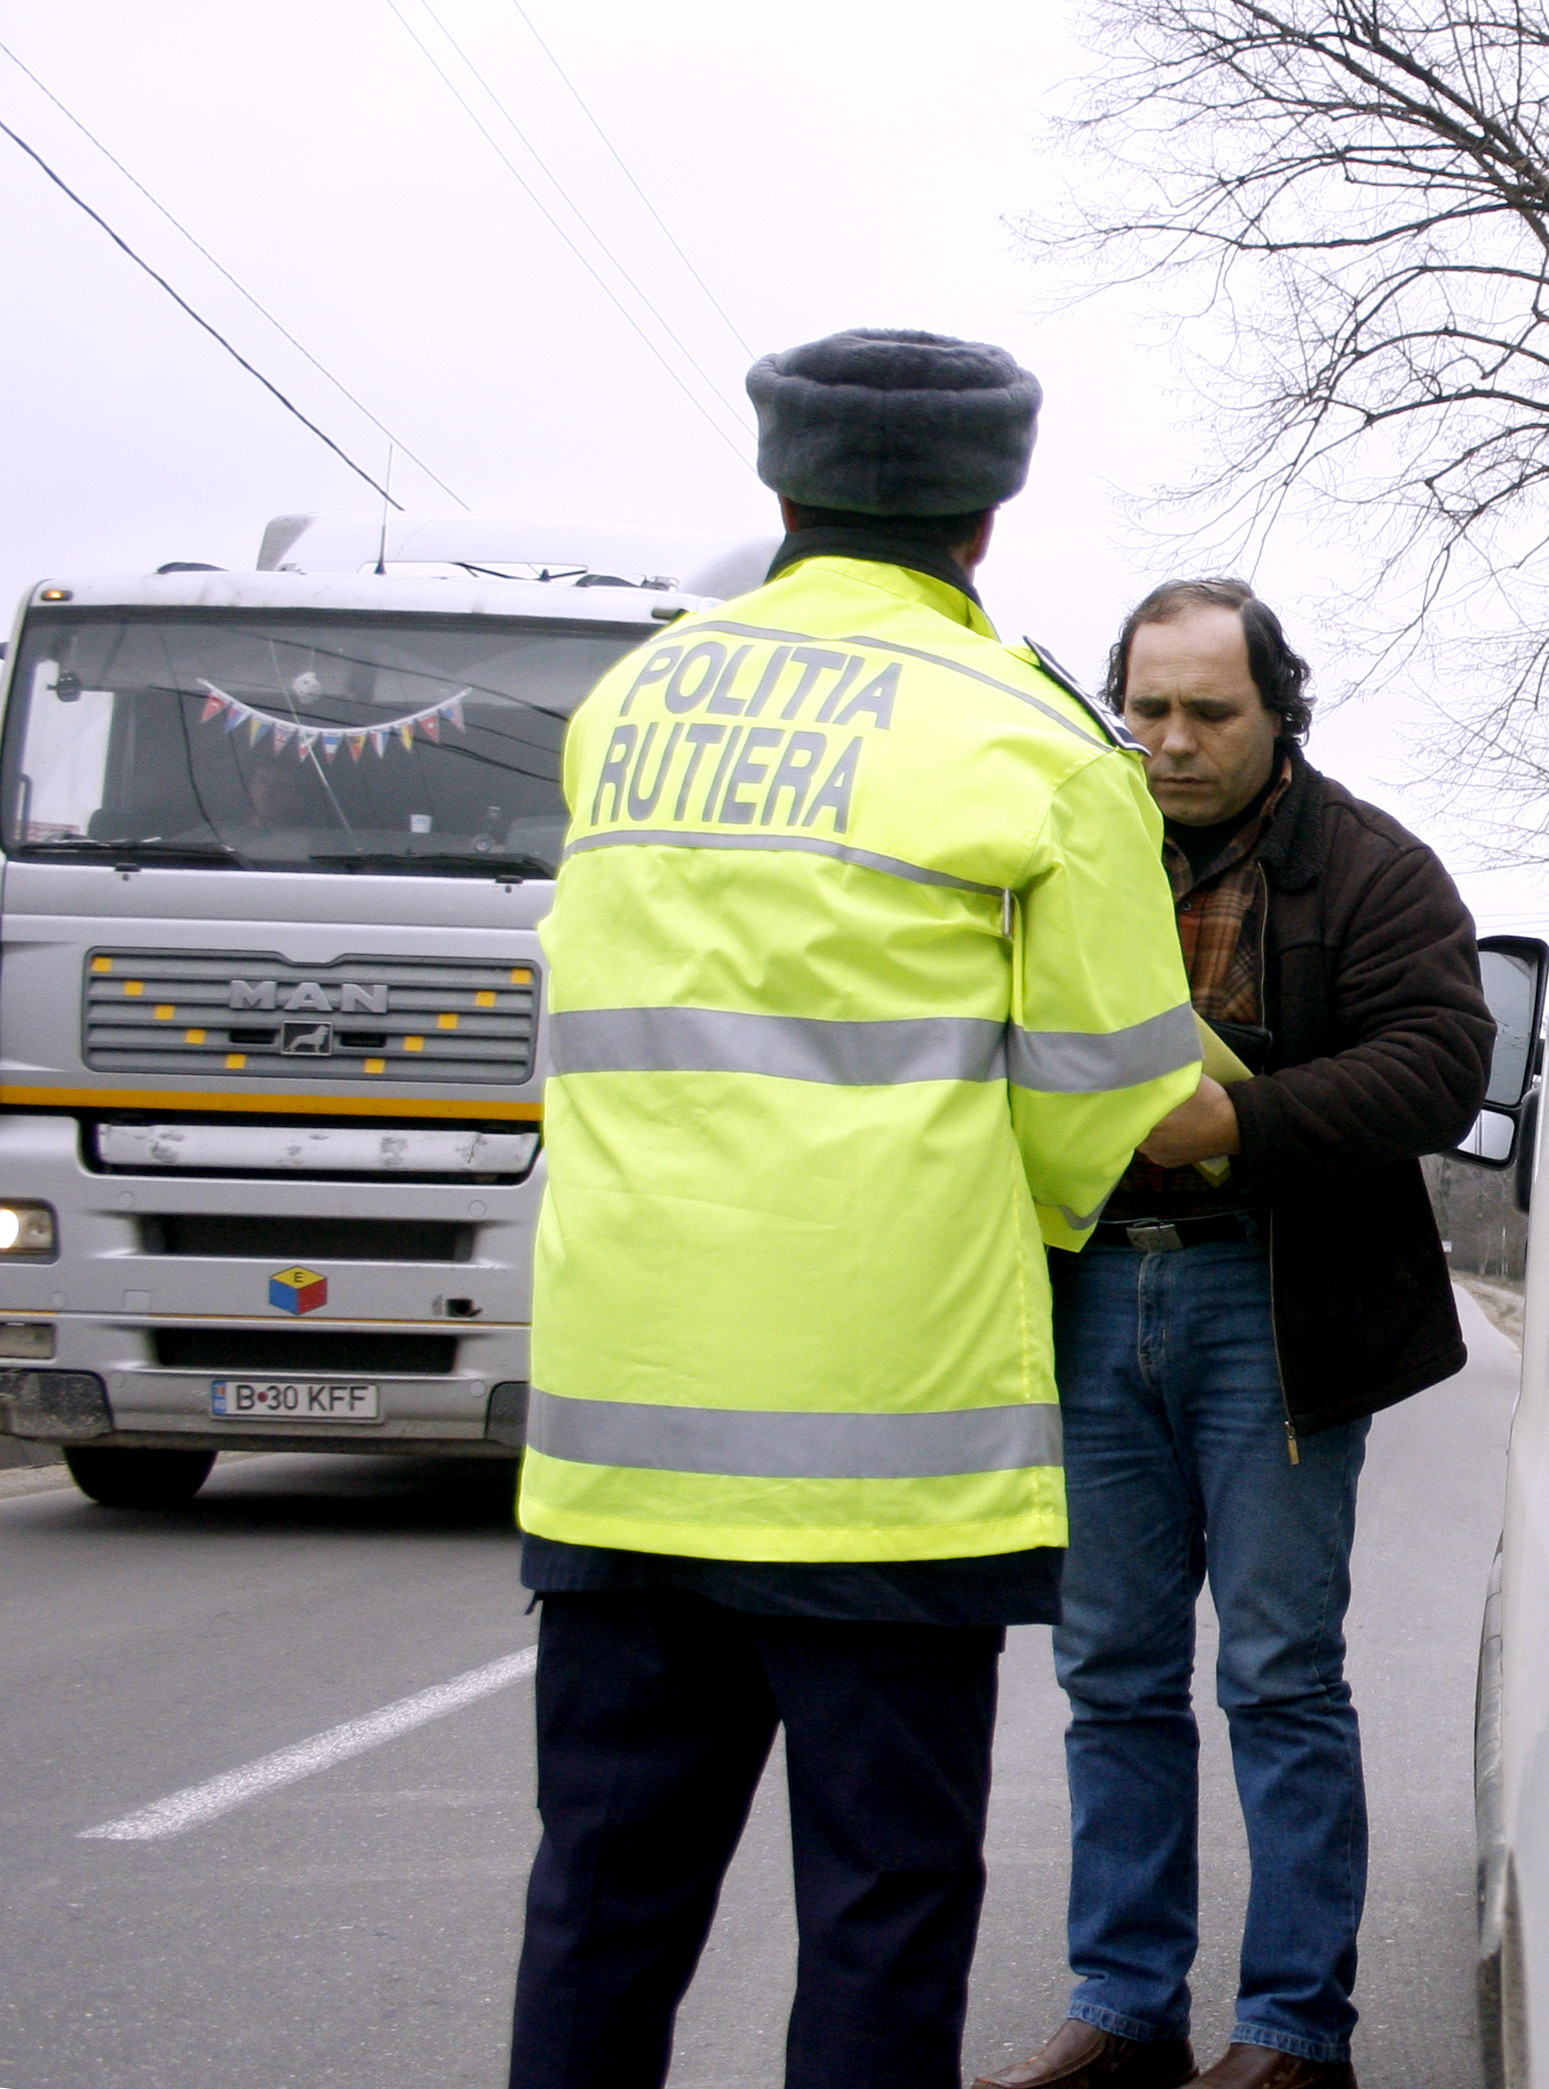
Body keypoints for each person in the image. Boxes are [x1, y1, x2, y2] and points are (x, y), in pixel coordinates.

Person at [507, 328, 1220, 2089]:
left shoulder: (632, 706)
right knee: (881, 1915)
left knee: (599, 1912)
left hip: (620, 1442)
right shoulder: (1039, 746)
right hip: (883, 1464)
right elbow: (1121, 1118)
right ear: (990, 512)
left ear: (781, 489)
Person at [974, 581, 1494, 2089]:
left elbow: (1441, 1062)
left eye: (1209, 711)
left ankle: (1287, 2037)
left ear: (1281, 714)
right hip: (1089, 1294)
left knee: (1275, 1673)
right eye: (1144, 709)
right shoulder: (1067, 851)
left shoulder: (1373, 866)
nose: (1169, 741)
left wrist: (1240, 1122)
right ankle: (1124, 2010)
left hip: (1270, 1302)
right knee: (1112, 1671)